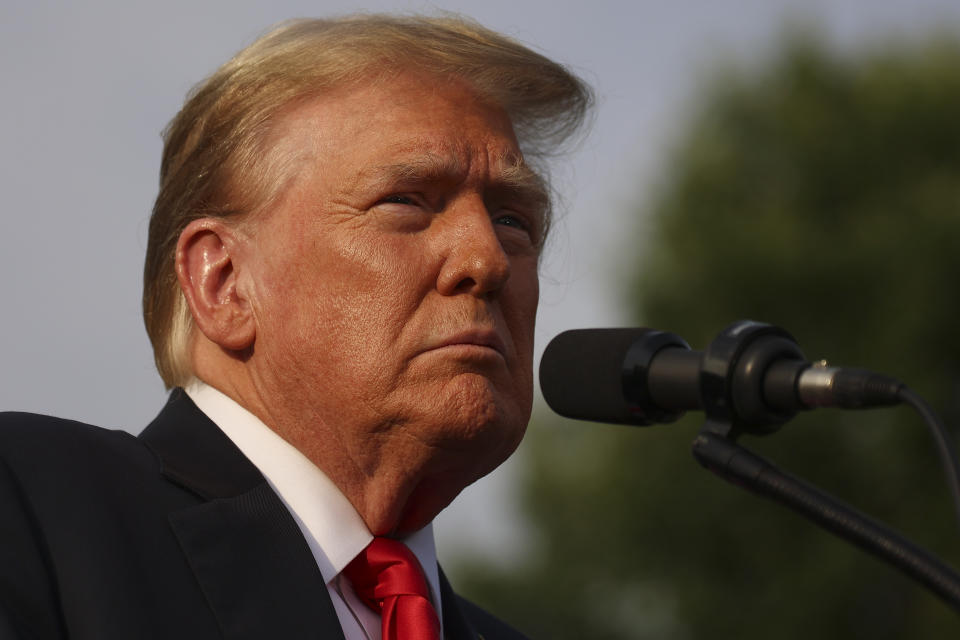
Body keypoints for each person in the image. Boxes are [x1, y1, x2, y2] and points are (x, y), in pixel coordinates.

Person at [0, 13, 591, 640]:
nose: (486, 260)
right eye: (406, 200)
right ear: (224, 282)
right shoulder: (32, 511)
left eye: (513, 221)